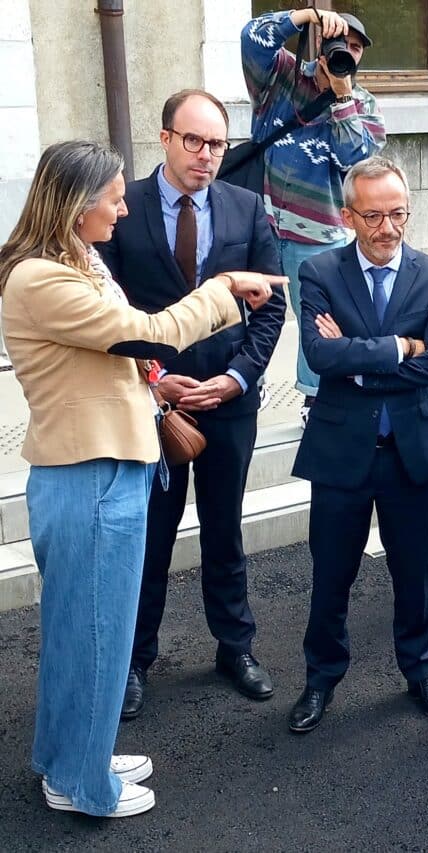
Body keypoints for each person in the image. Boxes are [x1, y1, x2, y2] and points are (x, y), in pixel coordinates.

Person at [0, 140, 280, 818]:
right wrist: (221, 288)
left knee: (82, 632)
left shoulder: (73, 263)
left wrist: (153, 387)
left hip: (98, 466)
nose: (124, 210)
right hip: (90, 475)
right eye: (114, 198)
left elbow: (105, 357)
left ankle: (73, 754)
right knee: (95, 634)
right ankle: (81, 784)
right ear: (77, 203)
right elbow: (149, 331)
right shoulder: (42, 277)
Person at [97, 90, 286, 719]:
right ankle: (133, 660)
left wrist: (237, 377)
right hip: (151, 403)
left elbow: (272, 306)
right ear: (165, 138)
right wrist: (153, 381)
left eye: (217, 144)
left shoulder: (247, 208)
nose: (206, 154)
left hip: (228, 403)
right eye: (194, 141)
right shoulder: (123, 210)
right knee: (150, 535)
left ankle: (236, 648)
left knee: (225, 529)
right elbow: (110, 313)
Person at [287, 157, 428, 734]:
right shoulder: (319, 271)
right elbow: (319, 356)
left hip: (409, 452)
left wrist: (358, 359)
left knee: (414, 573)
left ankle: (422, 671)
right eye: (374, 216)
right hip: (342, 452)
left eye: (399, 214)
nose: (388, 228)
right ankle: (320, 679)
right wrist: (398, 348)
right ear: (348, 216)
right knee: (331, 575)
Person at [242, 6, 386, 426]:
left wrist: (342, 99)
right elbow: (252, 38)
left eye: (356, 48)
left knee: (316, 317)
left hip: (320, 233)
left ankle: (312, 397)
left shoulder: (365, 105)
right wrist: (304, 16)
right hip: (261, 224)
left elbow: (355, 160)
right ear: (321, 45)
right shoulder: (282, 76)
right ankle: (250, 380)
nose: (349, 53)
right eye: (342, 43)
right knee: (251, 308)